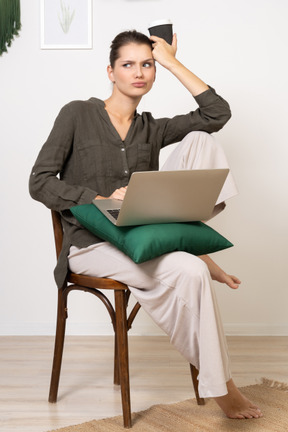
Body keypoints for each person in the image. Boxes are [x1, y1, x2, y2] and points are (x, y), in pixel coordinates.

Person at [29, 30, 262, 419]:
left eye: (147, 64)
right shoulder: (77, 114)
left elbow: (216, 114)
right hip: (92, 245)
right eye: (128, 64)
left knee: (201, 142)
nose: (139, 72)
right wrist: (99, 199)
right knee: (191, 269)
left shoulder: (152, 128)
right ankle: (226, 388)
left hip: (140, 235)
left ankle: (188, 244)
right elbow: (39, 182)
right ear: (111, 71)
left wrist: (171, 61)